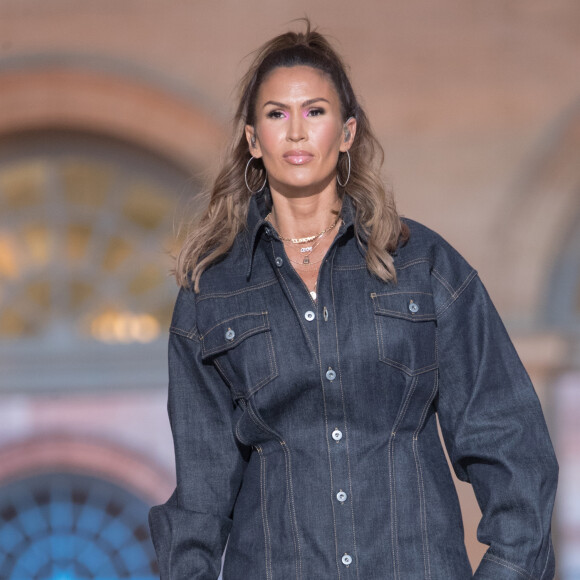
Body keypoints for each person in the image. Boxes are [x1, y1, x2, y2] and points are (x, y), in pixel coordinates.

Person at [148, 20, 558, 580]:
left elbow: (511, 444)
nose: (296, 132)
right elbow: (199, 500)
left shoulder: (424, 266)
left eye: (315, 112)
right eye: (276, 114)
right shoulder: (212, 293)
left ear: (346, 133)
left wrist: (508, 570)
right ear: (252, 139)